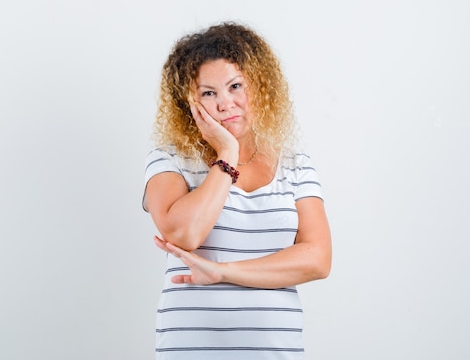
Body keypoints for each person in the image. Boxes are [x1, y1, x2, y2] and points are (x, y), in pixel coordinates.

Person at [142, 22, 332, 359]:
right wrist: (227, 154)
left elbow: (317, 260)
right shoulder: (171, 160)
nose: (225, 103)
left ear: (259, 85)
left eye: (235, 86)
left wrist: (223, 272)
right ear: (190, 102)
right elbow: (184, 234)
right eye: (208, 93)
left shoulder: (294, 164)